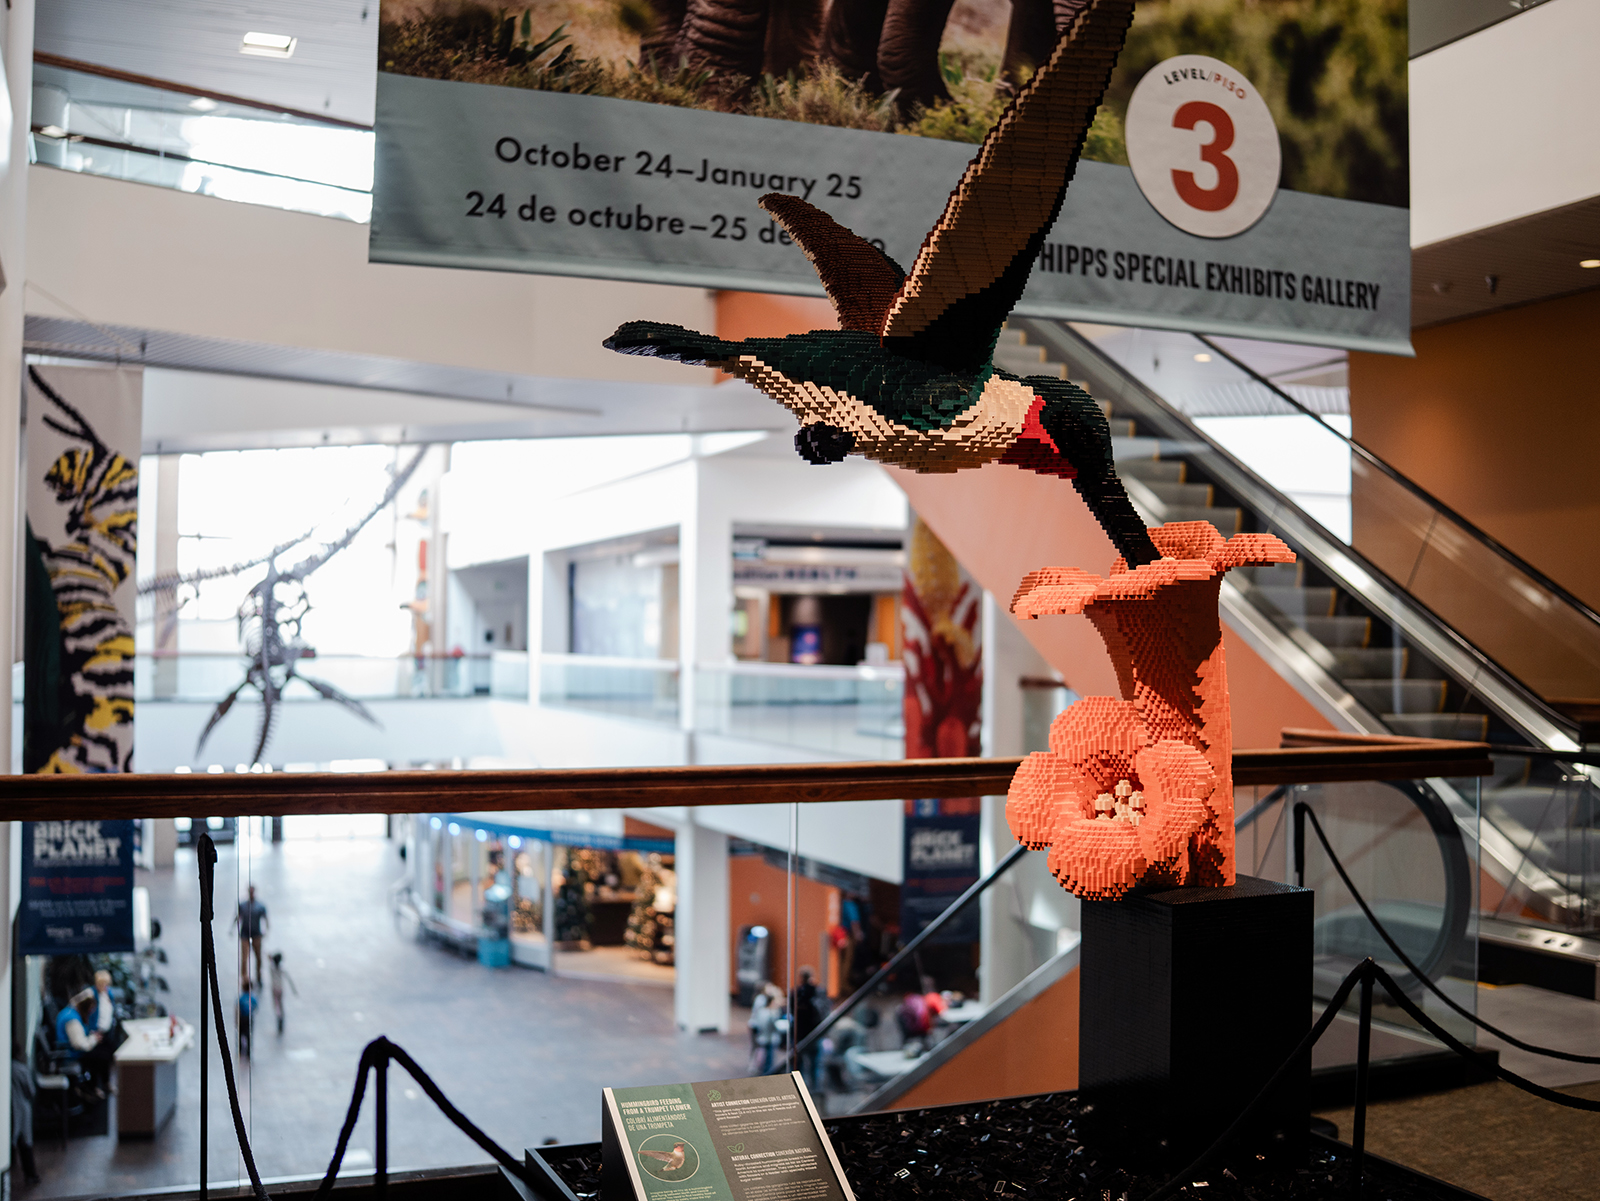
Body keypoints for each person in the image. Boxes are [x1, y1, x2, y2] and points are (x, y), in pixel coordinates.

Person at [55, 987, 118, 1098]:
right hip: (73, 1054)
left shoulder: (71, 1010)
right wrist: (94, 1039)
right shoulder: (72, 1020)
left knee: (107, 1046)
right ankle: (92, 1088)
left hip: (74, 1048)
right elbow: (80, 1044)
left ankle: (103, 1083)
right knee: (102, 1055)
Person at [790, 967, 823, 1086]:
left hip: (800, 1032)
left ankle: (800, 1087)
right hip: (814, 1032)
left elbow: (792, 1011)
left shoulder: (796, 993)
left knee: (799, 1064)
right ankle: (815, 1087)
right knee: (815, 1064)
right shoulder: (818, 992)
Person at [11, 1044, 39, 1186]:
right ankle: (31, 1175)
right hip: (21, 1108)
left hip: (12, 1111)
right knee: (25, 1144)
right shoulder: (21, 1069)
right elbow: (31, 1091)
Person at [233, 885, 269, 986]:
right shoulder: (243, 905)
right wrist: (233, 928)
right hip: (245, 934)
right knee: (244, 958)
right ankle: (244, 978)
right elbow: (238, 916)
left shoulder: (260, 906)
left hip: (256, 934)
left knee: (258, 957)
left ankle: (259, 976)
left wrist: (266, 929)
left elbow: (265, 918)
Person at [748, 983, 786, 1075]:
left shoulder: (763, 1011)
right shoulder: (770, 1012)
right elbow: (774, 1027)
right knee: (768, 1061)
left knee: (761, 1054)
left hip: (763, 1036)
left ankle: (756, 1068)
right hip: (768, 1038)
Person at [268, 952, 298, 1035]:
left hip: (274, 988)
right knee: (281, 1004)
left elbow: (269, 960)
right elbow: (289, 979)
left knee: (276, 1004)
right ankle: (281, 1016)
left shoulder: (271, 968)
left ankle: (278, 1015)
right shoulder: (282, 968)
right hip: (280, 988)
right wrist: (294, 990)